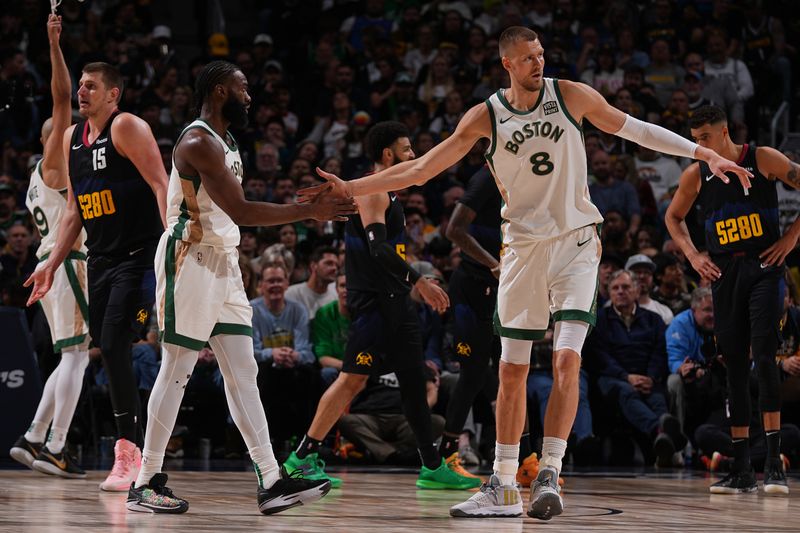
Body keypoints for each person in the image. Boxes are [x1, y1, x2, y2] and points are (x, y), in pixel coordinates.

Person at [303, 27, 751, 520]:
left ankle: (550, 474)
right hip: (520, 250)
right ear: (507, 65)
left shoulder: (570, 94)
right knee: (511, 371)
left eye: (540, 55)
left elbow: (636, 128)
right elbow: (420, 170)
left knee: (566, 361)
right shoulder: (486, 116)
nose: (538, 63)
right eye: (528, 58)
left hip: (576, 245)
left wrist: (701, 152)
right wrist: (350, 187)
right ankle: (501, 483)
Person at [122, 61, 355, 514]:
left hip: (224, 262)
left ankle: (270, 479)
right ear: (219, 89)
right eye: (243, 88)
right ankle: (145, 480)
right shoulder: (197, 141)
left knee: (243, 372)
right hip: (190, 259)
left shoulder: (227, 141)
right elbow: (241, 210)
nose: (250, 96)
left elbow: (234, 216)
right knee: (177, 370)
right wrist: (308, 212)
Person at [284, 121, 479, 491]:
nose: (413, 156)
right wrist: (419, 279)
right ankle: (302, 458)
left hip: (397, 302)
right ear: (388, 154)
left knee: (413, 380)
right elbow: (378, 248)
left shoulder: (390, 193)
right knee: (351, 380)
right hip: (374, 303)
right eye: (407, 150)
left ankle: (432, 465)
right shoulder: (372, 193)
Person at [25, 55, 169, 491]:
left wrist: (171, 249)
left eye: (90, 86)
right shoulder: (71, 138)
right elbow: (73, 210)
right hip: (100, 260)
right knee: (109, 348)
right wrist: (50, 265)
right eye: (80, 85)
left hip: (139, 255)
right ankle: (137, 450)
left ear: (113, 94)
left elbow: (162, 184)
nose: (81, 91)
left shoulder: (128, 127)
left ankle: (129, 451)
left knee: (113, 343)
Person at [665, 104, 799, 495]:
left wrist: (790, 239)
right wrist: (692, 255)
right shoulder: (696, 173)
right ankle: (742, 468)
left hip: (764, 266)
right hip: (724, 274)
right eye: (695, 140)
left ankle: (774, 465)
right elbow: (674, 218)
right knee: (735, 365)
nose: (699, 145)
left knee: (764, 355)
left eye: (704, 138)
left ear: (724, 132)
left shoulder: (762, 158)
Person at [10, 15, 90, 479]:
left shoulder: (36, 182)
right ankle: (56, 446)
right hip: (66, 262)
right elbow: (62, 98)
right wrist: (54, 43)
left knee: (69, 354)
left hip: (50, 264)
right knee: (78, 354)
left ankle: (34, 436)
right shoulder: (56, 163)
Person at [285, 245, 338, 319]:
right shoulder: (291, 294)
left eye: (336, 265)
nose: (334, 268)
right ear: (313, 266)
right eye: (329, 263)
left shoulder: (336, 297)